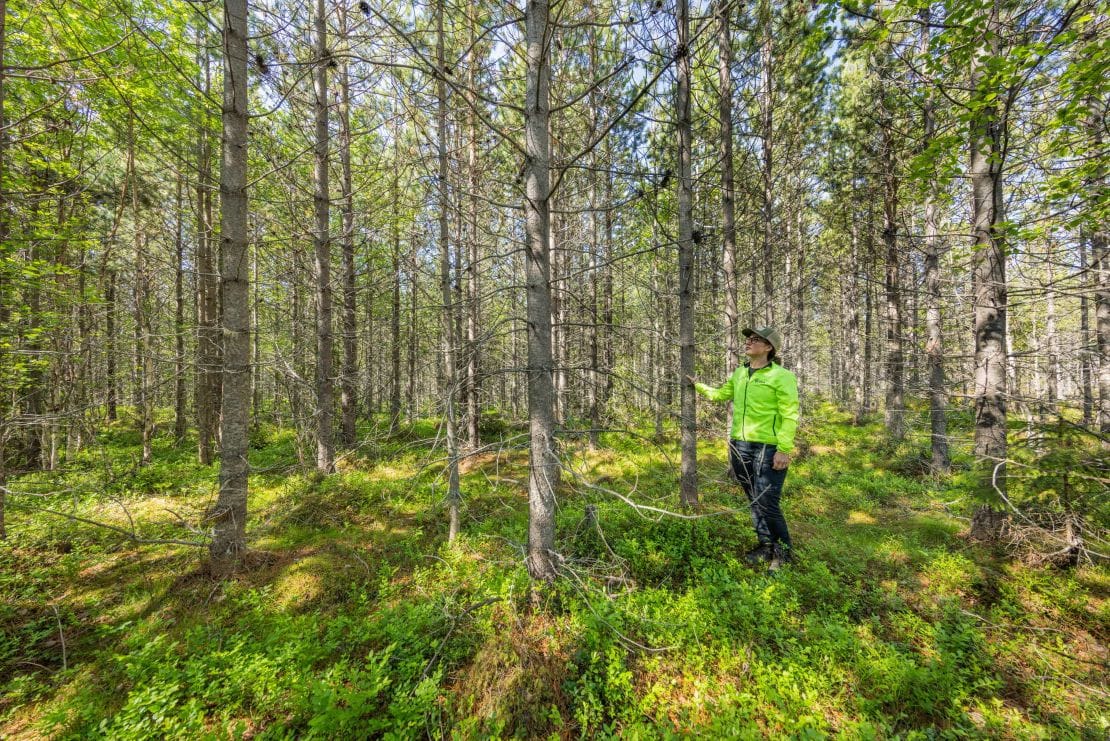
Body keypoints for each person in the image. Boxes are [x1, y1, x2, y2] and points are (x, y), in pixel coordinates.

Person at [687, 326, 799, 572]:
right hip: (740, 445)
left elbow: (790, 415)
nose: (748, 342)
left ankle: (783, 553)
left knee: (768, 500)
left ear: (768, 347)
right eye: (748, 339)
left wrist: (784, 449)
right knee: (753, 498)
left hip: (769, 447)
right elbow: (721, 395)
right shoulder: (740, 373)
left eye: (755, 339)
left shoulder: (782, 376)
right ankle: (765, 546)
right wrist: (698, 386)